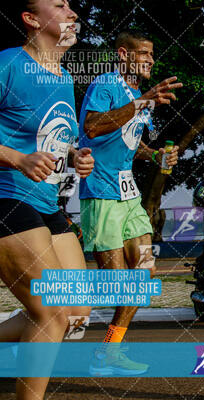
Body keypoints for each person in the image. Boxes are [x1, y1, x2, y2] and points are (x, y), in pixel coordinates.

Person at [0, 1, 95, 398]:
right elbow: (22, 149)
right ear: (31, 18)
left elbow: (52, 136)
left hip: (44, 202)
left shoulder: (63, 76)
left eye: (71, 4)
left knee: (76, 314)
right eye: (58, 4)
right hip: (6, 197)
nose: (71, 10)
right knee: (51, 312)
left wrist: (75, 156)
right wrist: (17, 158)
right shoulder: (7, 63)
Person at [78, 30, 181, 375]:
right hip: (101, 196)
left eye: (153, 55)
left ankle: (107, 353)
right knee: (120, 284)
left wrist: (157, 156)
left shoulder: (138, 94)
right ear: (123, 55)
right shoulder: (106, 84)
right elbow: (92, 127)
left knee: (144, 273)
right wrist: (143, 101)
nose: (151, 60)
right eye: (143, 54)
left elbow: (130, 142)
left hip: (130, 197)